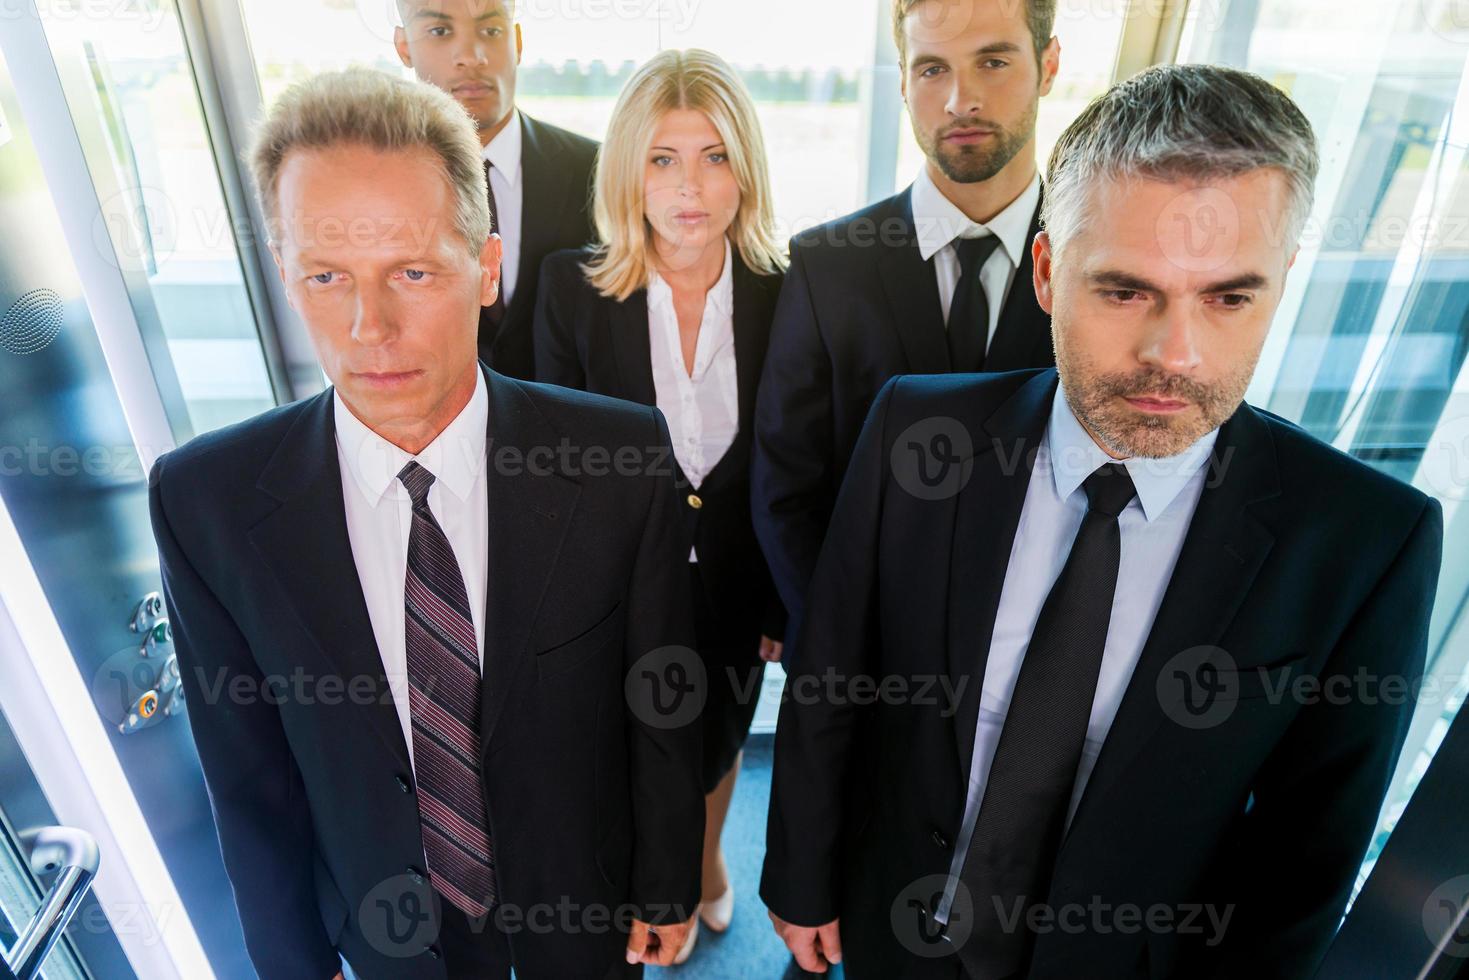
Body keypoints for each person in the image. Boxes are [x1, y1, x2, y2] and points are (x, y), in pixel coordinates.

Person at [761, 64, 1444, 979]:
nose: (1174, 353)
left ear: (1281, 283)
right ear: (1047, 271)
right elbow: (833, 674)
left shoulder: (1367, 543)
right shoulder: (916, 432)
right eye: (1125, 291)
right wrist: (800, 878)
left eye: (1228, 297)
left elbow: (1304, 857)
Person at [149, 69, 700, 980]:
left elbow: (660, 702)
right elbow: (246, 779)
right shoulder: (204, 500)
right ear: (286, 278)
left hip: (583, 913)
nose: (371, 326)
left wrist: (667, 882)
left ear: (484, 268)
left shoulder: (619, 460)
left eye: (412, 270)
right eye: (328, 276)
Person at [534, 48, 786, 964]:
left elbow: (799, 464)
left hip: (738, 584)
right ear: (628, 171)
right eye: (663, 158)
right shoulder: (572, 289)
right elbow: (549, 461)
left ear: (744, 170)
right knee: (631, 742)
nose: (691, 186)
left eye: (715, 156)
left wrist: (782, 601)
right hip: (614, 584)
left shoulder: (787, 291)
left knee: (717, 737)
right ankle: (652, 883)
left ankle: (709, 860)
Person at [752, 0, 1062, 637]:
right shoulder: (826, 264)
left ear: (1049, 64)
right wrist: (837, 643)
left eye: (994, 61)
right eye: (930, 70)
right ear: (900, 80)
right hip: (856, 666)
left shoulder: (1101, 270)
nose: (959, 100)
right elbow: (785, 485)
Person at [395, 0, 599, 379]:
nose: (471, 57)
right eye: (440, 31)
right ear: (403, 47)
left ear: (517, 41)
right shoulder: (380, 186)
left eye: (491, 31)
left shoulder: (599, 171)